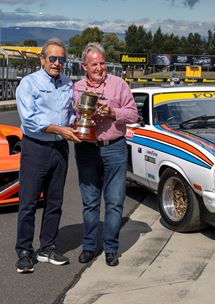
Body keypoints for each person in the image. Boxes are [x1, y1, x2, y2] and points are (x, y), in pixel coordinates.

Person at [15, 38, 81, 273]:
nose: (56, 63)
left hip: (60, 148)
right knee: (29, 202)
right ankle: (24, 251)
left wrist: (77, 123)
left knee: (55, 202)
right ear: (42, 59)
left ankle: (47, 247)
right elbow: (29, 120)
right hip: (36, 148)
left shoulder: (67, 84)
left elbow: (70, 113)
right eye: (52, 58)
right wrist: (59, 129)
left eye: (61, 59)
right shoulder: (28, 83)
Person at [74, 42, 138, 267]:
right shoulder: (76, 87)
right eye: (94, 64)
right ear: (84, 66)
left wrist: (113, 112)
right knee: (90, 201)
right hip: (86, 149)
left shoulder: (119, 85)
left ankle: (111, 248)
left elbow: (133, 114)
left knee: (114, 201)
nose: (99, 68)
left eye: (102, 63)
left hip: (115, 147)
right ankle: (89, 246)